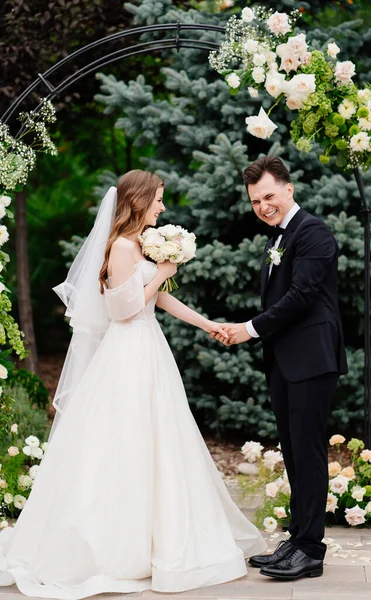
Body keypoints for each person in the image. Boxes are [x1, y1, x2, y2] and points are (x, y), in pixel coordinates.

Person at [0, 170, 266, 599]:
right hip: (126, 353)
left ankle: (156, 536)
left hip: (149, 349)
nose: (163, 207)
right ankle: (113, 547)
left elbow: (159, 299)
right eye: (158, 199)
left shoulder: (140, 243)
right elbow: (122, 310)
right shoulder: (122, 246)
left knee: (159, 440)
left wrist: (207, 325)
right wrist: (162, 271)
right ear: (138, 201)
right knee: (121, 444)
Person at [212, 156, 347, 581]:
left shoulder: (313, 232)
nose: (263, 206)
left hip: (311, 359)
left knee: (307, 453)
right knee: (294, 452)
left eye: (268, 196)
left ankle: (310, 551)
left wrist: (249, 329)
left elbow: (302, 296)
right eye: (255, 201)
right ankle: (299, 539)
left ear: (288, 188)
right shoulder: (280, 236)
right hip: (288, 360)